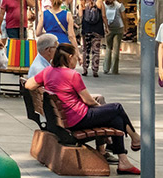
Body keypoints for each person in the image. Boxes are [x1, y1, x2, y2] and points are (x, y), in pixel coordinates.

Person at [25, 44, 142, 175]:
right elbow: (88, 100)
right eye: (76, 57)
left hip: (63, 119)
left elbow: (28, 84)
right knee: (117, 108)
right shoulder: (72, 75)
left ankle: (124, 161)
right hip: (78, 119)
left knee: (116, 119)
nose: (77, 60)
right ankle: (135, 138)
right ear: (69, 57)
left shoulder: (47, 72)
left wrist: (45, 88)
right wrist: (101, 108)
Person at [79, 0, 107, 77]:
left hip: (86, 29)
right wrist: (106, 26)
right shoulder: (99, 2)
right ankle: (95, 70)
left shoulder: (83, 2)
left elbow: (80, 16)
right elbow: (103, 16)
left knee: (85, 50)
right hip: (97, 29)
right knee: (96, 50)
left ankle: (85, 69)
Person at [103, 0, 127, 75]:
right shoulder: (119, 5)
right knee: (116, 49)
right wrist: (125, 27)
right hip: (118, 28)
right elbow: (124, 17)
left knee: (108, 47)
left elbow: (103, 16)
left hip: (108, 28)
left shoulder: (104, 4)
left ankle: (106, 68)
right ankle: (114, 69)